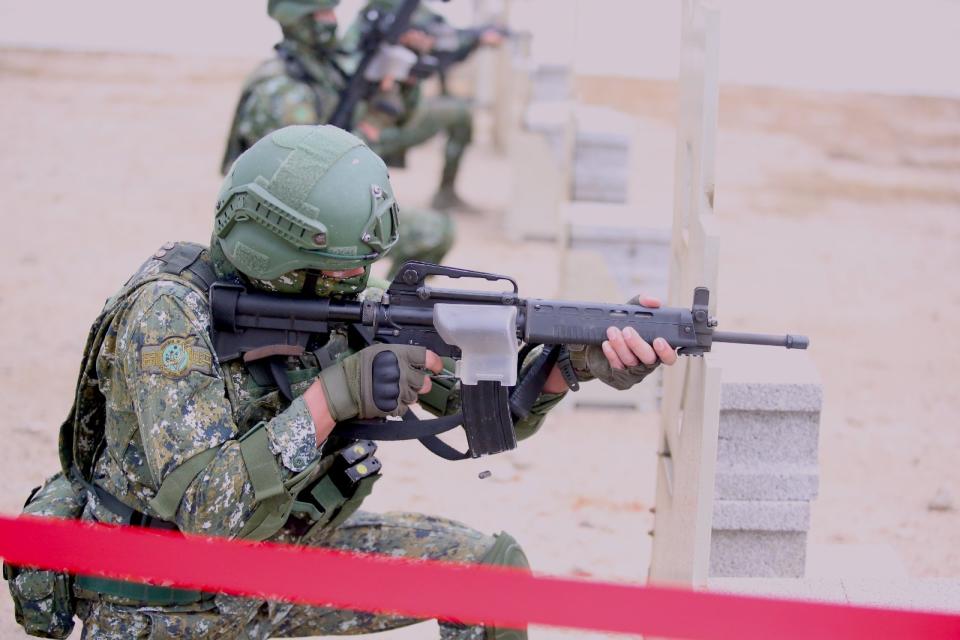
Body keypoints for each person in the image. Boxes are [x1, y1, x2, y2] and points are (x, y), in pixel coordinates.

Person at [6, 126, 675, 639]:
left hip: (279, 554)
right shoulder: (167, 317)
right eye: (337, 271)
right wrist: (333, 400)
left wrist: (571, 365)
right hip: (166, 601)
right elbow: (208, 514)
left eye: (358, 268)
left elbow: (487, 413)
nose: (355, 284)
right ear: (278, 254)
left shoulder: (333, 299)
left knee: (487, 571)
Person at [221, 0, 454, 279]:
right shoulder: (281, 92)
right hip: (294, 232)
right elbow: (297, 182)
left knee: (438, 230)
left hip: (325, 214)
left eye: (332, 11)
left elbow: (403, 118)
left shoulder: (328, 68)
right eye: (322, 13)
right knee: (428, 233)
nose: (331, 20)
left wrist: (404, 80)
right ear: (298, 20)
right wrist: (369, 129)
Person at [341, 0, 504, 213]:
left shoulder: (408, 11)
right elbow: (451, 41)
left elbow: (446, 42)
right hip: (365, 127)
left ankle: (446, 193)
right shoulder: (384, 13)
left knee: (461, 114)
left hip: (398, 114)